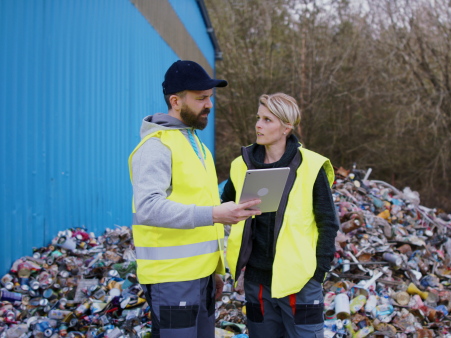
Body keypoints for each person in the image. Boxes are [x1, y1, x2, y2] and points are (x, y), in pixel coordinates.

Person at [129, 60, 262, 338]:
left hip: (200, 278)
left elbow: (201, 207)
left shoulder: (198, 147)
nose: (209, 105)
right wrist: (215, 214)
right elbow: (147, 208)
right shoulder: (156, 146)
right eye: (201, 98)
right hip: (172, 280)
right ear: (176, 101)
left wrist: (214, 270)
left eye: (210, 98)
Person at [222, 93, 339, 338]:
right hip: (257, 283)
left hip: (300, 283)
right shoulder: (240, 165)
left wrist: (318, 273)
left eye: (267, 120)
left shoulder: (311, 165)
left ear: (286, 127)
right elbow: (225, 211)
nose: (258, 125)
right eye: (258, 118)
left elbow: (328, 222)